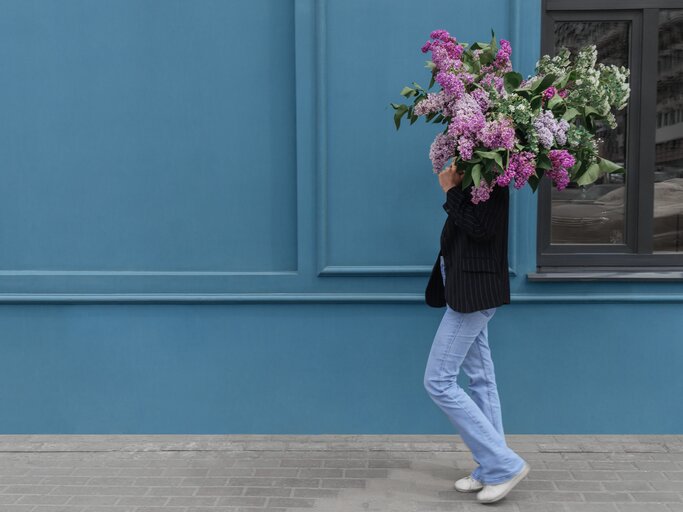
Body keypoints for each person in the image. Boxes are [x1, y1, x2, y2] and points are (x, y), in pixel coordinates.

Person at [423, 160, 529, 504]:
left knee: (438, 381)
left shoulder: (494, 176)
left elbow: (481, 229)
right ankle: (491, 466)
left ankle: (504, 465)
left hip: (474, 292)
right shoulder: (480, 171)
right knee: (481, 377)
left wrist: (450, 190)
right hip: (465, 289)